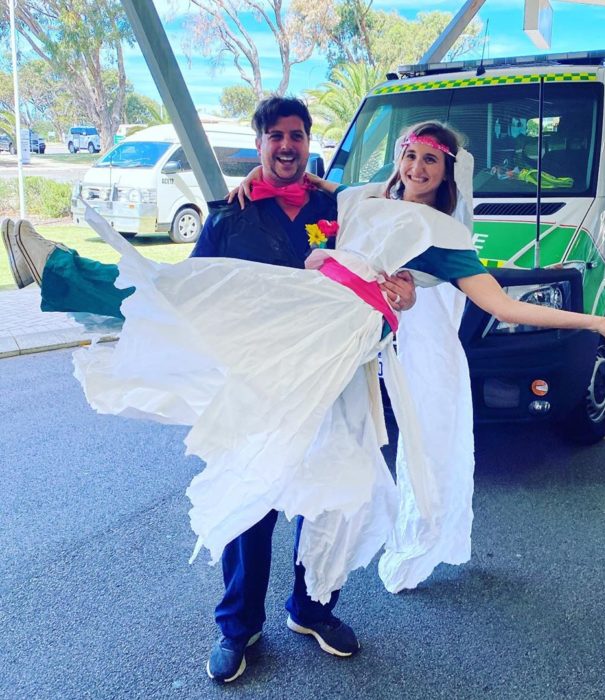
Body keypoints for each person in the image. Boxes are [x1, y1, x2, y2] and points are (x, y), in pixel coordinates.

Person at [1, 97, 417, 684]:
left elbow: (395, 228)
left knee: (326, 499)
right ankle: (238, 627)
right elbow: (185, 296)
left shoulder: (339, 207)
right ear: (260, 145)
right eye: (275, 136)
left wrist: (404, 292)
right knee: (252, 503)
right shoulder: (229, 218)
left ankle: (313, 609)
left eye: (296, 135)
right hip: (251, 384)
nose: (287, 146)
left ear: (308, 142)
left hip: (325, 383)